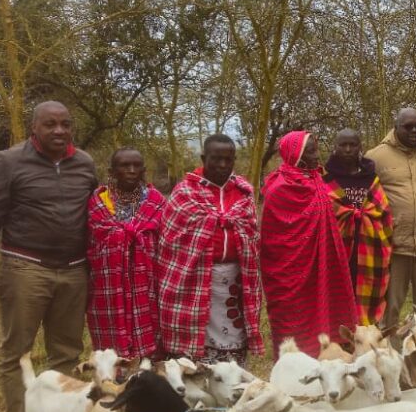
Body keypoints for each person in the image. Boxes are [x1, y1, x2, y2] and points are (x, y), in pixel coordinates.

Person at [0, 100, 96, 412]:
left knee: (67, 353)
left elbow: (96, 215)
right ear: (34, 127)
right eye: (50, 124)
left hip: (74, 270)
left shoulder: (84, 163)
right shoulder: (9, 162)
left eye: (65, 124)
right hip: (25, 268)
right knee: (17, 354)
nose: (59, 130)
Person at [159, 134, 262, 364]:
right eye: (216, 159)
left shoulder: (244, 193)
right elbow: (171, 242)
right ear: (204, 158)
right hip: (192, 281)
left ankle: (231, 376)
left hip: (235, 282)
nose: (222, 165)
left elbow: (252, 236)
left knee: (233, 337)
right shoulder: (184, 193)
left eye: (228, 159)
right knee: (194, 342)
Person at [261, 131, 359, 356]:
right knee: (293, 329)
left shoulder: (317, 180)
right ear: (295, 155)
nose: (317, 156)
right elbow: (273, 242)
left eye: (316, 150)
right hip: (291, 275)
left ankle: (325, 360)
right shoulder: (279, 189)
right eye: (310, 152)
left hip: (322, 267)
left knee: (326, 318)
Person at [365, 108, 416, 328]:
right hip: (393, 246)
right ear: (396, 127)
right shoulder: (375, 157)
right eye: (408, 126)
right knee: (389, 306)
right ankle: (387, 345)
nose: (414, 131)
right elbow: (368, 200)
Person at [85, 147, 165, 359]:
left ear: (144, 170)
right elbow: (92, 243)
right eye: (125, 165)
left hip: (147, 282)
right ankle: (115, 372)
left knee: (152, 339)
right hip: (108, 285)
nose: (131, 170)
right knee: (111, 354)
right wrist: (122, 237)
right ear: (112, 171)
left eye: (136, 166)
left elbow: (166, 244)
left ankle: (148, 368)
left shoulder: (156, 201)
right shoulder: (98, 202)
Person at [325, 129, 394, 326]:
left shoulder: (371, 177)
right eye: (343, 145)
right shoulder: (325, 178)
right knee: (337, 292)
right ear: (335, 147)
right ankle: (339, 332)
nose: (348, 149)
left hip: (369, 249)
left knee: (364, 290)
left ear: (360, 147)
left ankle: (364, 329)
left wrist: (365, 219)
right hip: (335, 249)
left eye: (352, 145)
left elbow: (383, 213)